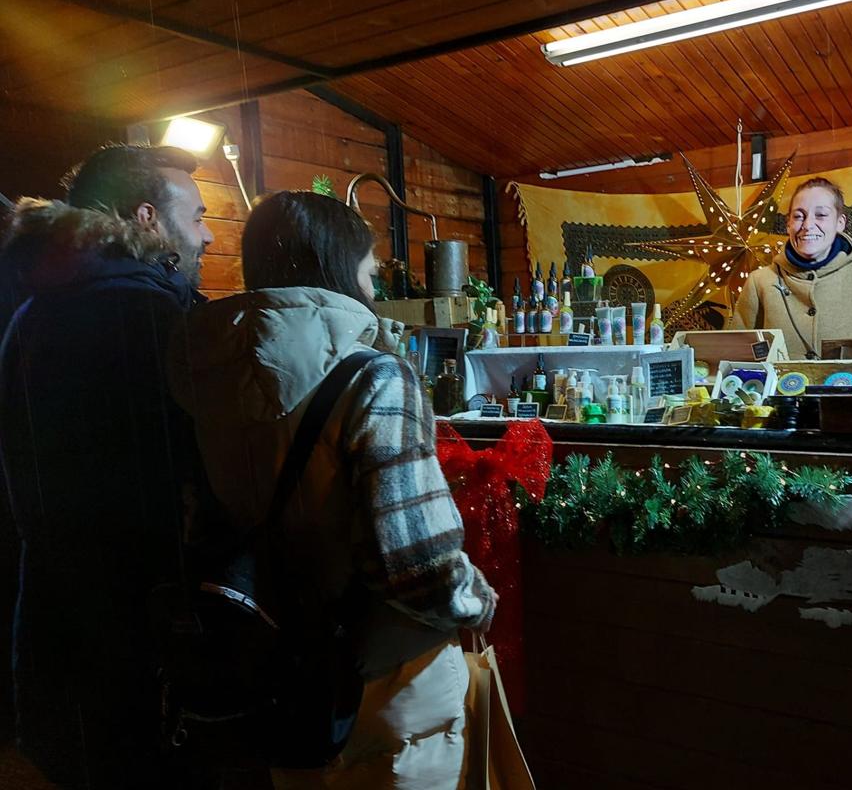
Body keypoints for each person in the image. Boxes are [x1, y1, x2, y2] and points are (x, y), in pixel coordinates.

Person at [166, 190, 495, 790]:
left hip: (278, 663)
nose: (373, 289)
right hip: (385, 670)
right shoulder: (374, 376)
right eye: (369, 272)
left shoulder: (205, 371)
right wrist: (474, 599)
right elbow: (414, 560)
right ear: (342, 271)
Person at [0, 144, 212, 788]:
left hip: (54, 623)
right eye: (198, 215)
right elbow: (183, 487)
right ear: (148, 217)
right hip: (141, 639)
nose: (206, 233)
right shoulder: (149, 315)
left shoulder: (35, 311)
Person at [731, 176, 852, 359]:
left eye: (821, 215)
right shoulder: (759, 281)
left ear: (840, 223)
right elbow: (737, 353)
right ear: (788, 225)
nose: (808, 225)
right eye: (798, 216)